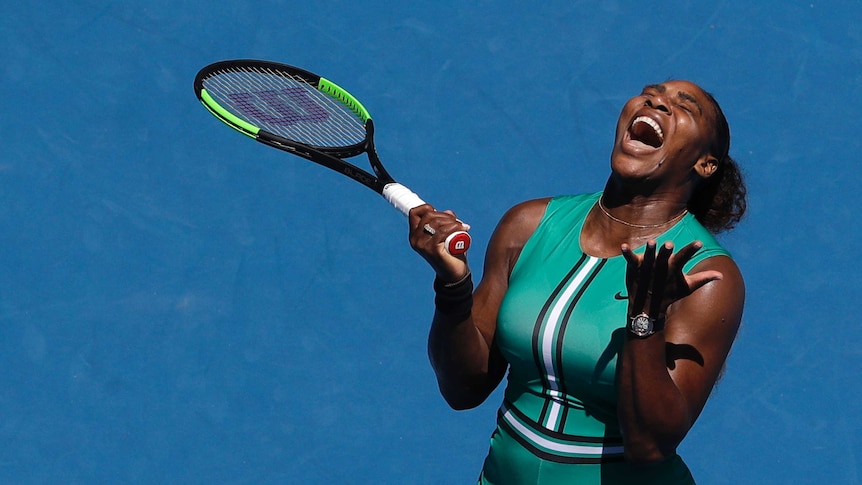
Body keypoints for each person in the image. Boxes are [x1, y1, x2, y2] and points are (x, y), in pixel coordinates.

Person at [409, 80, 746, 484]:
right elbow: (463, 388)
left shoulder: (707, 277)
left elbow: (650, 447)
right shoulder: (528, 225)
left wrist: (645, 320)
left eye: (684, 106)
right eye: (651, 93)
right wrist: (453, 285)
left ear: (705, 164)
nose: (657, 101)